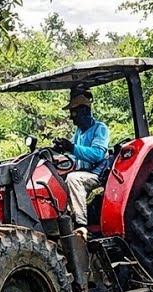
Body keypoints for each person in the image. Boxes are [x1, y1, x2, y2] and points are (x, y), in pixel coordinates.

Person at [53, 88, 110, 239]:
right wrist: (62, 147)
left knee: (73, 178)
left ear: (84, 111)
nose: (72, 118)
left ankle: (81, 224)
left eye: (74, 113)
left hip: (96, 174)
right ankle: (63, 220)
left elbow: (97, 154)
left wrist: (72, 147)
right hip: (82, 172)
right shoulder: (79, 132)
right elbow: (74, 150)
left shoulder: (100, 129)